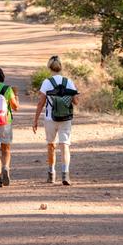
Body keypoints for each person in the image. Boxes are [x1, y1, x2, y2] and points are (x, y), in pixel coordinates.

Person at [33, 55, 79, 185]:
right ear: (61, 67)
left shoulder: (46, 82)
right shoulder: (68, 81)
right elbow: (76, 101)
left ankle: (51, 174)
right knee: (65, 145)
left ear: (49, 67)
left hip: (50, 118)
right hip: (66, 118)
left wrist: (35, 120)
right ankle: (65, 174)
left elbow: (41, 103)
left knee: (51, 145)